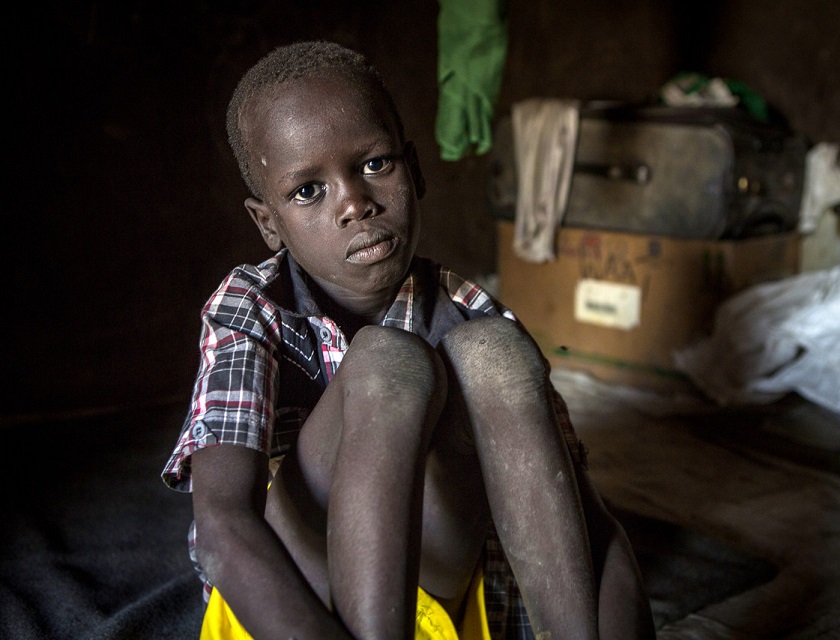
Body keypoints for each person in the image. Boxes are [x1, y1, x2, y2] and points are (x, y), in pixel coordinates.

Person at [162, 40, 655, 640]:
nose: (355, 204)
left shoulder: (470, 310)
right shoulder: (251, 307)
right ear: (269, 223)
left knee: (491, 351)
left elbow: (593, 526)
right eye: (307, 191)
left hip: (447, 599)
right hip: (291, 604)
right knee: (387, 364)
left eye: (374, 165)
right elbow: (222, 526)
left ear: (415, 170)